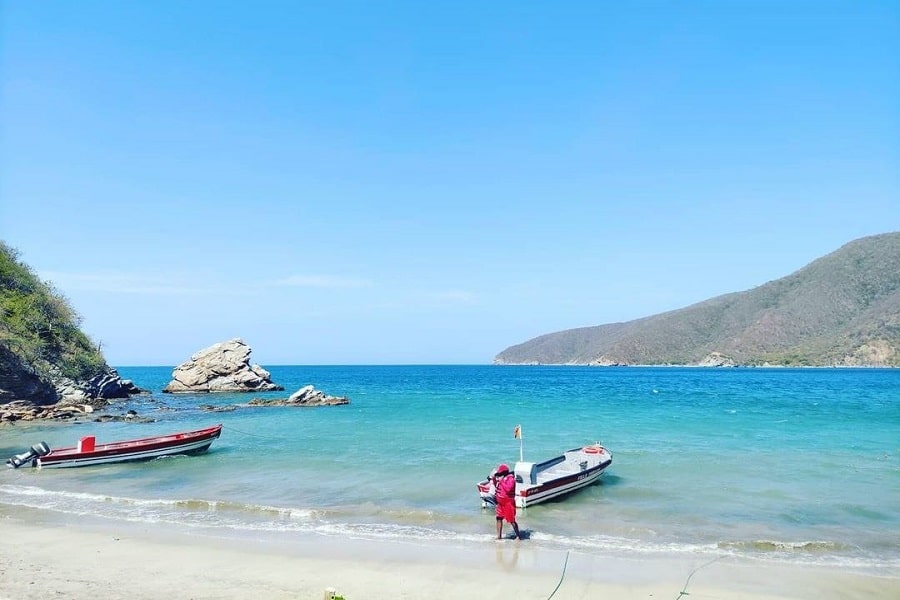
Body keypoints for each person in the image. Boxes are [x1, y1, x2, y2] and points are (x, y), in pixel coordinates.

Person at [491, 463, 521, 540]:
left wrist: (501, 481)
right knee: (498, 518)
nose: (499, 474)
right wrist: (493, 478)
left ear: (504, 472)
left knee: (512, 520)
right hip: (500, 503)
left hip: (508, 504)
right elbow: (495, 485)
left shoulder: (511, 479)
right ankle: (499, 536)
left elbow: (508, 489)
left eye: (500, 473)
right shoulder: (501, 478)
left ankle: (518, 536)